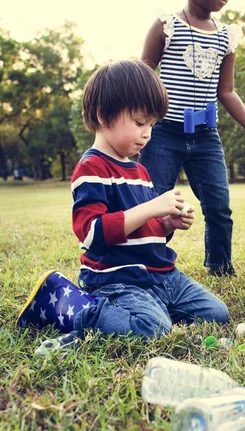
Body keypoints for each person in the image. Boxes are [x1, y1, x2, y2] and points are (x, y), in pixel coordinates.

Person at [17, 60, 229, 344]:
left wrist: (167, 222)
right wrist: (152, 208)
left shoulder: (139, 171)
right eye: (140, 122)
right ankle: (77, 309)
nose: (147, 133)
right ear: (104, 115)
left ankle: (151, 308)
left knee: (217, 313)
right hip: (118, 280)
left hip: (160, 276)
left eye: (152, 125)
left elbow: (145, 228)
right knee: (152, 330)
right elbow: (92, 234)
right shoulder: (92, 168)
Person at [139, 0, 245, 277]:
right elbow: (142, 77)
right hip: (164, 133)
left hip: (206, 136)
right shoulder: (167, 25)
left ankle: (220, 267)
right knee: (155, 204)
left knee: (219, 206)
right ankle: (151, 265)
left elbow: (227, 91)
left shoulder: (226, 35)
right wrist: (138, 127)